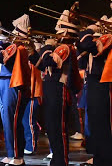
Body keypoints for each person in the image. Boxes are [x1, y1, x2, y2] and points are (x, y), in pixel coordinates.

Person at [37, 10, 82, 166]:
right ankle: (57, 159)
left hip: (59, 91)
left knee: (59, 129)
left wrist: (46, 47)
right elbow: (42, 64)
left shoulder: (66, 48)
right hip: (51, 91)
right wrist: (34, 49)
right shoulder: (57, 48)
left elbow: (49, 61)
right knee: (51, 128)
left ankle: (62, 161)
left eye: (59, 31)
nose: (56, 35)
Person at [0, 14, 32, 166]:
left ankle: (17, 156)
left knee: (12, 120)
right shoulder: (12, 46)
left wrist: (2, 44)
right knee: (7, 120)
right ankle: (11, 153)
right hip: (3, 82)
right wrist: (2, 43)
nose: (12, 33)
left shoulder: (19, 48)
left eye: (15, 31)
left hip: (12, 84)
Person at [77, 21, 112, 165]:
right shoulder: (100, 39)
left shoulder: (107, 38)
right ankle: (99, 157)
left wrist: (88, 31)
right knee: (94, 123)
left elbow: (87, 44)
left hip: (102, 83)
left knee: (102, 124)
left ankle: (105, 158)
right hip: (93, 82)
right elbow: (81, 50)